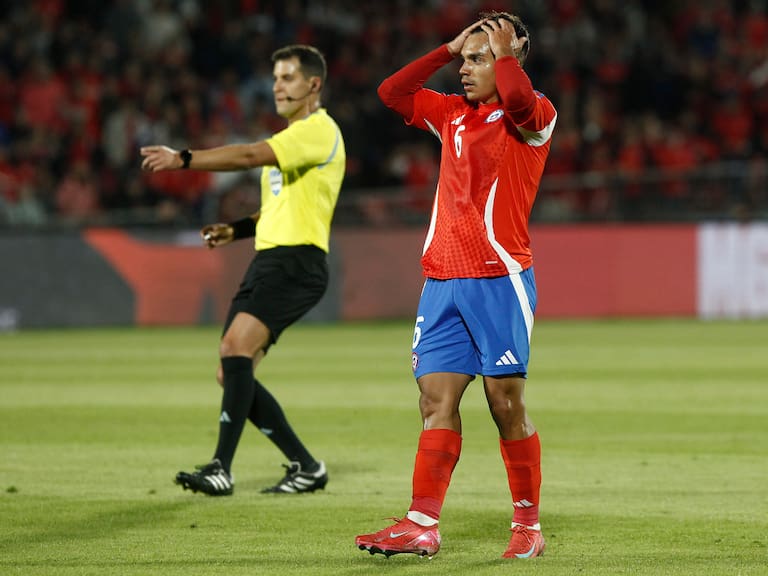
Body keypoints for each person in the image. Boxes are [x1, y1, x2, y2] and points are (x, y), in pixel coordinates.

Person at [355, 12, 556, 559]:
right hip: (442, 277)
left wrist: (506, 52)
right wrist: (446, 48)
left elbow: (517, 102)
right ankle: (422, 522)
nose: (465, 70)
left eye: (479, 58)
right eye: (464, 60)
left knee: (503, 402)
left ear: (510, 58)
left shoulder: (534, 116)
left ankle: (528, 526)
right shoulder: (450, 114)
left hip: (498, 277)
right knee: (434, 398)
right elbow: (392, 92)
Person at [140, 44, 346, 495]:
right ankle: (306, 466)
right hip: (270, 259)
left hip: (296, 261)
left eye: (288, 77)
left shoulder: (317, 131)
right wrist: (235, 230)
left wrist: (184, 159)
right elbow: (277, 209)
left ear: (313, 84)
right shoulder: (293, 142)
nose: (277, 86)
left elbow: (250, 155)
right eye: (275, 78)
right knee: (231, 370)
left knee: (234, 349)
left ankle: (221, 467)